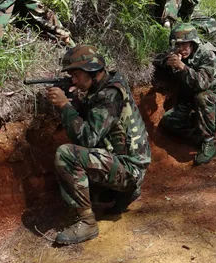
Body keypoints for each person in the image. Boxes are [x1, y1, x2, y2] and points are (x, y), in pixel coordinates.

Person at [44, 45, 151, 245]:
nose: (73, 80)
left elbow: (87, 138)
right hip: (126, 163)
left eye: (76, 74)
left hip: (129, 169)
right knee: (90, 189)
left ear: (92, 71)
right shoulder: (105, 87)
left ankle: (87, 223)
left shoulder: (109, 95)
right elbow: (94, 123)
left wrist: (64, 106)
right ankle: (122, 193)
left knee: (66, 154)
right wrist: (75, 102)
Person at [156, 23, 216, 165]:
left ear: (193, 42)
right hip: (193, 103)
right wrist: (167, 62)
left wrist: (182, 67)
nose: (181, 48)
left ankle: (208, 142)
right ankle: (197, 135)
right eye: (178, 44)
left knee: (203, 97)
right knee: (168, 121)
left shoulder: (208, 53)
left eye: (185, 44)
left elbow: (202, 84)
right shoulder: (179, 52)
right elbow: (158, 60)